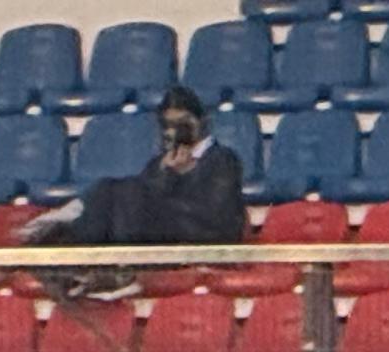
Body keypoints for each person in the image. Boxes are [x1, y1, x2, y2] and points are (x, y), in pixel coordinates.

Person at [23, 87, 246, 254]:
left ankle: (73, 227)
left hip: (204, 233)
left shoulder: (222, 158)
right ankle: (72, 241)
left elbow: (217, 214)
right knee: (110, 187)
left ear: (202, 121)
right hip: (162, 233)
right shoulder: (159, 163)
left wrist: (184, 173)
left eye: (184, 123)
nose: (175, 131)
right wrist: (166, 172)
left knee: (127, 190)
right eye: (168, 125)